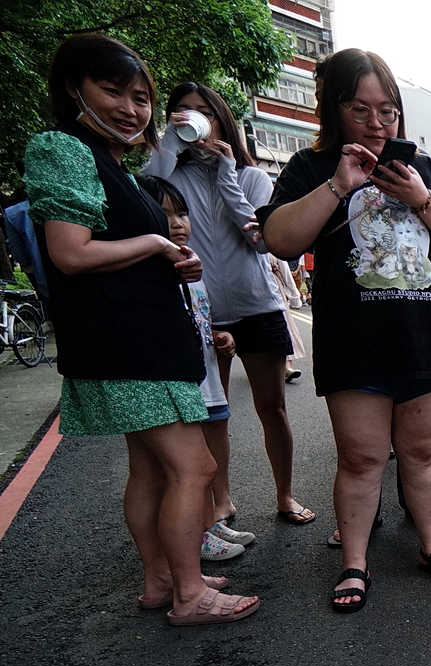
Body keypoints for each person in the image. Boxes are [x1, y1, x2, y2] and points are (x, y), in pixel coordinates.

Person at [25, 33, 259, 624]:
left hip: (142, 337)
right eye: (113, 91)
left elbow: (112, 249)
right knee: (195, 468)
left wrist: (171, 260)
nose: (131, 109)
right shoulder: (64, 148)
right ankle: (188, 593)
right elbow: (71, 253)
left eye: (140, 97)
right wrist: (157, 241)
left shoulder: (112, 162)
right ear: (74, 87)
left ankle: (162, 579)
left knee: (152, 468)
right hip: (127, 343)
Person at [259, 48, 431, 611]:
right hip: (354, 342)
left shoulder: (423, 170)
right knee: (360, 458)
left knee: (424, 451)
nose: (379, 124)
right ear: (334, 111)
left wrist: (421, 198)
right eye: (362, 111)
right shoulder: (311, 169)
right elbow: (281, 240)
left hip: (424, 337)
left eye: (390, 112)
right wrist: (339, 184)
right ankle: (354, 562)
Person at [142, 82, 314, 526]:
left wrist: (227, 173)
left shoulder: (254, 177)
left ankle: (285, 495)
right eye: (179, 112)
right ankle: (221, 500)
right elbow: (147, 205)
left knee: (272, 408)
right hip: (197, 312)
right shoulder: (168, 179)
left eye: (202, 112)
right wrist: (165, 145)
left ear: (221, 121)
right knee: (212, 415)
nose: (190, 119)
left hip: (257, 305)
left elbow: (261, 242)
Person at [137, 174, 251, 563]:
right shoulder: (152, 272)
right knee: (186, 468)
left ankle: (207, 523)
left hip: (206, 379)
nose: (178, 223)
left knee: (209, 452)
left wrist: (219, 335)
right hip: (181, 384)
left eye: (182, 213)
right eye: (164, 214)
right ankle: (197, 535)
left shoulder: (190, 267)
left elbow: (196, 319)